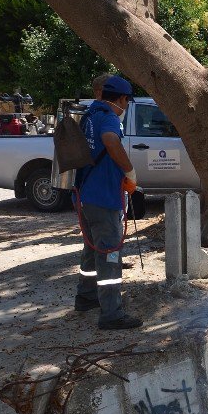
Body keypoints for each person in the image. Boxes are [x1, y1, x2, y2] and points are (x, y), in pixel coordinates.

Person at [74, 75, 142, 329]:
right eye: (126, 101)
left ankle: (85, 297)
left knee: (92, 248)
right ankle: (111, 313)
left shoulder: (89, 115)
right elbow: (111, 141)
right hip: (102, 197)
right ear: (122, 98)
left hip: (83, 194)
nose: (125, 106)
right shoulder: (109, 118)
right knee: (109, 254)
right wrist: (130, 172)